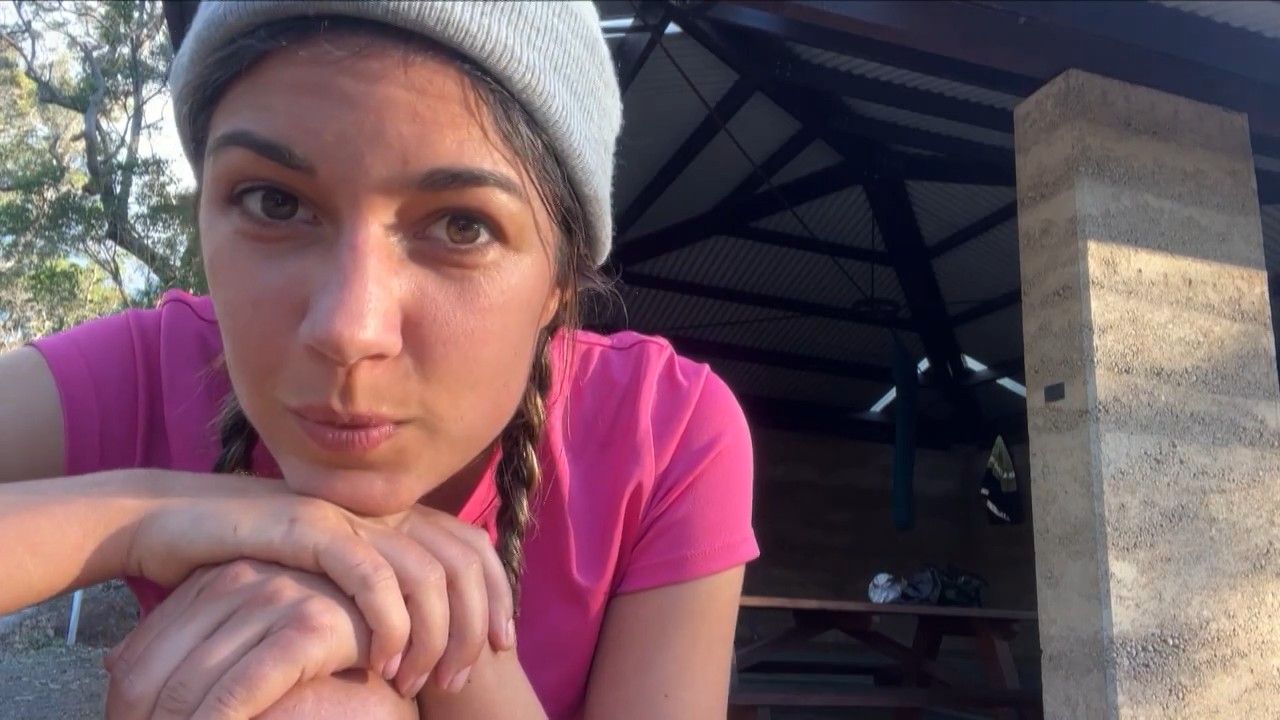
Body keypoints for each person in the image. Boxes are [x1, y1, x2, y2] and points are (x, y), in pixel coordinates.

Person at [0, 3, 758, 719]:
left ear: (558, 283)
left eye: (461, 226)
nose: (347, 330)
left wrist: (452, 646)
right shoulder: (155, 367)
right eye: (273, 202)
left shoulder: (662, 432)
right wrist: (147, 515)